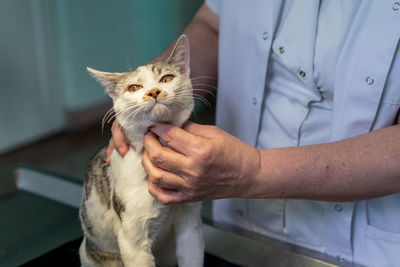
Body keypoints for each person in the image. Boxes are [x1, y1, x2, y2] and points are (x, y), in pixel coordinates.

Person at [107, 1, 400, 266]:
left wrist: (256, 171)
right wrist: (142, 93)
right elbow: (212, 26)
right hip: (239, 228)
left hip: (367, 247)